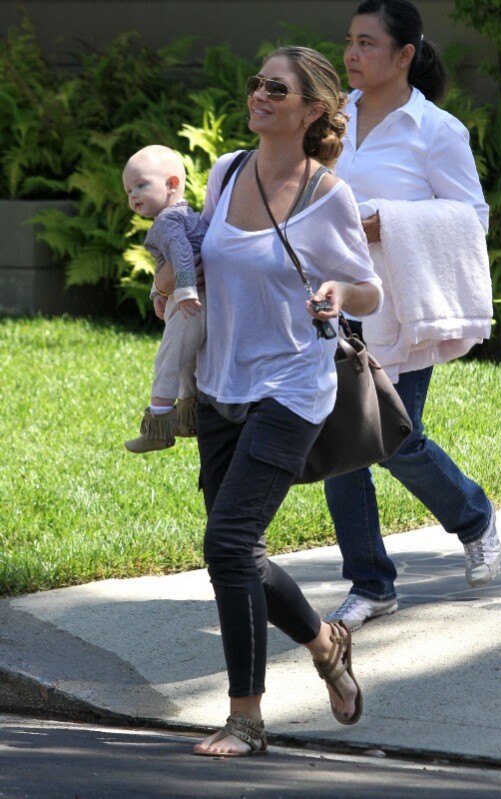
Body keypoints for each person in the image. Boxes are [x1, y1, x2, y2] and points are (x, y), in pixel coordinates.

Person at [191, 46, 383, 757]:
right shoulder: (227, 171)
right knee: (238, 552)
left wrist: (339, 293)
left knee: (228, 543)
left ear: (311, 111)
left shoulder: (325, 192)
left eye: (277, 87)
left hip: (294, 386)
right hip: (221, 384)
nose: (259, 95)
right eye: (256, 82)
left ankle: (246, 718)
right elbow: (209, 263)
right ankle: (325, 640)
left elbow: (369, 289)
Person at [324, 0, 501, 632]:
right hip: (332, 305)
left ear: (404, 55)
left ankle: (474, 518)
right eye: (349, 41)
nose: (351, 54)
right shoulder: (331, 119)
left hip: (402, 309)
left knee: (397, 440)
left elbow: (471, 219)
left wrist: (386, 222)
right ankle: (370, 584)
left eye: (367, 44)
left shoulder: (436, 131)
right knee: (342, 446)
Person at [122, 144, 207, 453]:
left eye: (141, 185)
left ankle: (157, 426)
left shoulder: (167, 223)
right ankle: (189, 417)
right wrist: (159, 292)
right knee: (189, 363)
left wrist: (182, 293)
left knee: (169, 359)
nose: (133, 195)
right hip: (203, 301)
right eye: (129, 189)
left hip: (191, 302)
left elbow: (182, 255)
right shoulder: (189, 215)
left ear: (172, 184)